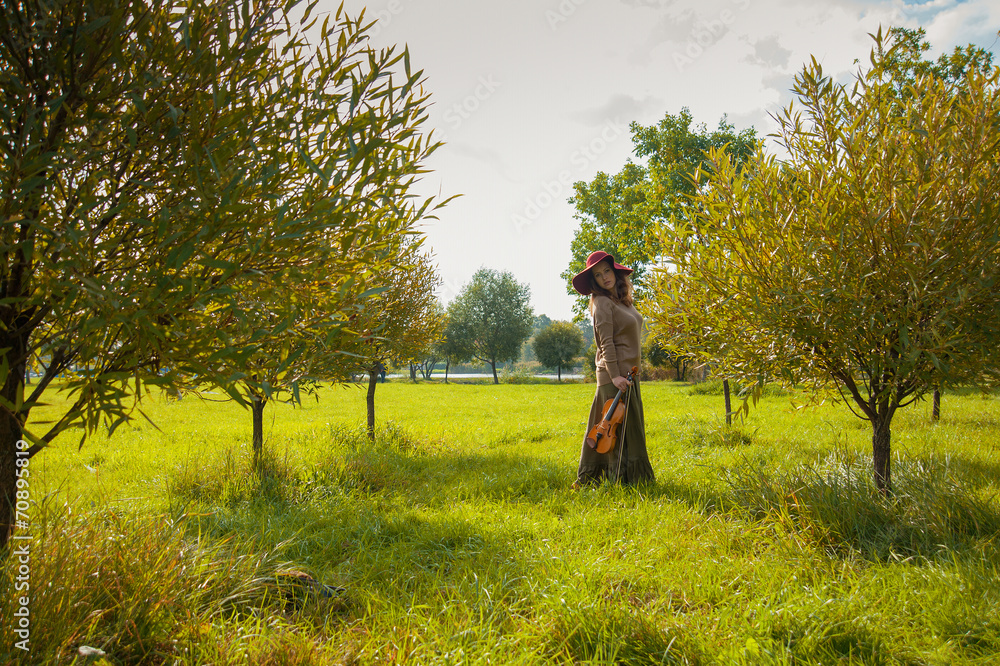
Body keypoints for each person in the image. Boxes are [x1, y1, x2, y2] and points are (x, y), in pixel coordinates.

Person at [571, 251, 655, 487]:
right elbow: (605, 342)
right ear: (594, 282)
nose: (604, 277)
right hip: (614, 377)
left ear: (615, 272)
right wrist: (615, 375)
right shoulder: (602, 303)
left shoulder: (621, 301)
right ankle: (600, 480)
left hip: (629, 376)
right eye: (598, 275)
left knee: (629, 431)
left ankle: (633, 480)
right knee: (610, 433)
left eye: (607, 270)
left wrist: (624, 375)